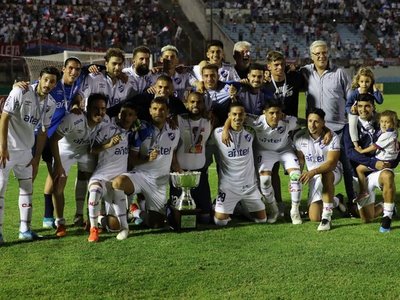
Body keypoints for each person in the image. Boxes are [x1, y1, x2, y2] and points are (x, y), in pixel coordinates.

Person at [0, 66, 60, 243]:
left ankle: (25, 230)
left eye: (52, 81)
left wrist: (36, 157)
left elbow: (43, 132)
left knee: (27, 190)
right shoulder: (21, 90)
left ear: (55, 85)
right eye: (46, 79)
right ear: (39, 79)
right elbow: (4, 118)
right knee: (0, 190)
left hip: (26, 152)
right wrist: (2, 147)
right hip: (7, 151)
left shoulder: (51, 104)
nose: (48, 84)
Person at [224, 101, 302, 224]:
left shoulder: (289, 121)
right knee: (265, 180)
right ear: (264, 113)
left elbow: (309, 122)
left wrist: (326, 131)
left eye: (278, 113)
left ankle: (295, 211)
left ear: (282, 113)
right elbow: (236, 115)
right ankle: (274, 210)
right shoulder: (256, 121)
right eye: (271, 113)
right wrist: (225, 129)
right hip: (265, 152)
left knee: (295, 176)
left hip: (285, 150)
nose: (275, 116)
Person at [300, 40, 355, 212]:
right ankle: (314, 200)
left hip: (340, 128)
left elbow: (350, 99)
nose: (321, 56)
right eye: (317, 54)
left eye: (324, 53)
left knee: (347, 167)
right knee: (313, 164)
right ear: (311, 56)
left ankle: (353, 201)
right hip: (315, 131)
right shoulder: (305, 72)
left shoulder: (340, 73)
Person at [112, 97, 180, 228]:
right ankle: (122, 222)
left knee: (156, 224)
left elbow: (173, 154)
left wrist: (178, 170)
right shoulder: (142, 129)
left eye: (162, 110)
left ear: (167, 112)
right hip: (141, 176)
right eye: (155, 109)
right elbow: (132, 158)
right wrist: (147, 159)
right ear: (150, 110)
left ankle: (135, 211)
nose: (158, 112)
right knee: (118, 183)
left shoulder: (175, 130)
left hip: (159, 182)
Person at [50, 93, 108, 237]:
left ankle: (88, 219)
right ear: (87, 108)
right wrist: (58, 164)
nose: (99, 112)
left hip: (84, 152)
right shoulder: (74, 118)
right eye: (95, 108)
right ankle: (60, 223)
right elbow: (53, 140)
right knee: (58, 185)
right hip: (65, 151)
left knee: (93, 183)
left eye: (103, 108)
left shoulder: (105, 121)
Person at [343, 94, 399, 232]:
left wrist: (391, 163)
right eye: (360, 106)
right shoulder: (349, 127)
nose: (363, 109)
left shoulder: (383, 123)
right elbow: (350, 153)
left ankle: (387, 217)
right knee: (367, 218)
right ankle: (383, 205)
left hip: (379, 170)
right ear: (356, 107)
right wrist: (373, 163)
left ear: (373, 107)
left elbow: (395, 145)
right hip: (361, 172)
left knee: (387, 176)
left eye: (367, 106)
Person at [263, 50, 306, 217]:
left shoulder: (294, 78)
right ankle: (279, 204)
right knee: (272, 168)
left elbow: (306, 72)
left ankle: (298, 203)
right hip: (273, 131)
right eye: (276, 65)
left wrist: (297, 67)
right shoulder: (265, 84)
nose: (279, 67)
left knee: (297, 166)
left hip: (292, 128)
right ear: (269, 67)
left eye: (282, 64)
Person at [87, 102, 137, 242]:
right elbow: (92, 149)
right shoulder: (108, 129)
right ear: (119, 115)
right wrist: (108, 144)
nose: (126, 117)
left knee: (113, 227)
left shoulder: (135, 132)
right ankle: (93, 228)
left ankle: (116, 223)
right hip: (102, 175)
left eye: (130, 115)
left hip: (119, 179)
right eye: (124, 114)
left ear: (135, 117)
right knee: (95, 191)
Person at [212, 102, 266, 226]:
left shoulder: (251, 132)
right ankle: (217, 204)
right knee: (220, 222)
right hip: (228, 186)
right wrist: (226, 128)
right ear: (229, 116)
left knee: (262, 220)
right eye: (234, 114)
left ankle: (242, 210)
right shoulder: (218, 133)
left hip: (249, 187)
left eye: (240, 114)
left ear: (245, 115)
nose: (237, 117)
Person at [294, 108, 342, 231]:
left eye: (316, 121)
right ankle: (336, 200)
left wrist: (313, 172)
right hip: (313, 176)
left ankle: (327, 218)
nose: (312, 124)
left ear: (323, 123)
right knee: (314, 217)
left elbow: (332, 163)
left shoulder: (333, 137)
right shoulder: (299, 137)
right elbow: (301, 160)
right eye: (310, 121)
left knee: (326, 175)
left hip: (332, 172)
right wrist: (296, 179)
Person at [170, 91, 213, 223]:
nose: (195, 105)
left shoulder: (209, 120)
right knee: (177, 215)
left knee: (206, 218)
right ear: (186, 104)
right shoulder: (178, 120)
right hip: (180, 173)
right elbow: (171, 146)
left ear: (203, 105)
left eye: (199, 102)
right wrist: (175, 165)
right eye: (192, 101)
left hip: (200, 173)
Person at [354, 110, 399, 203]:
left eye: (387, 122)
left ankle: (363, 191)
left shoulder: (386, 135)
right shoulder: (394, 132)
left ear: (393, 123)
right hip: (390, 160)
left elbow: (375, 146)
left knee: (359, 169)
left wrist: (362, 151)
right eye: (382, 122)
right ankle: (388, 203)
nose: (383, 124)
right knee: (386, 183)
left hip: (382, 161)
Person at [345, 67, 383, 150]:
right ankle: (355, 143)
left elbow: (380, 101)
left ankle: (382, 140)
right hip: (356, 113)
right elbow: (347, 105)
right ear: (358, 82)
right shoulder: (354, 93)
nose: (364, 84)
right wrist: (351, 110)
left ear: (371, 82)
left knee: (382, 119)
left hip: (370, 112)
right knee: (352, 124)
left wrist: (375, 89)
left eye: (367, 82)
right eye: (362, 81)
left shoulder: (372, 92)